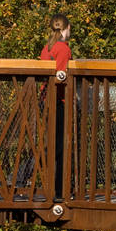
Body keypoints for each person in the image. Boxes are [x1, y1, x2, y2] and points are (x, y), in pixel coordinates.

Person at [40, 14, 72, 200]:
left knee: (53, 145)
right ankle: (59, 189)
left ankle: (55, 188)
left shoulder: (47, 48)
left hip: (45, 100)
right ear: (66, 29)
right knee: (60, 146)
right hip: (58, 101)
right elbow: (60, 77)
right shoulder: (63, 49)